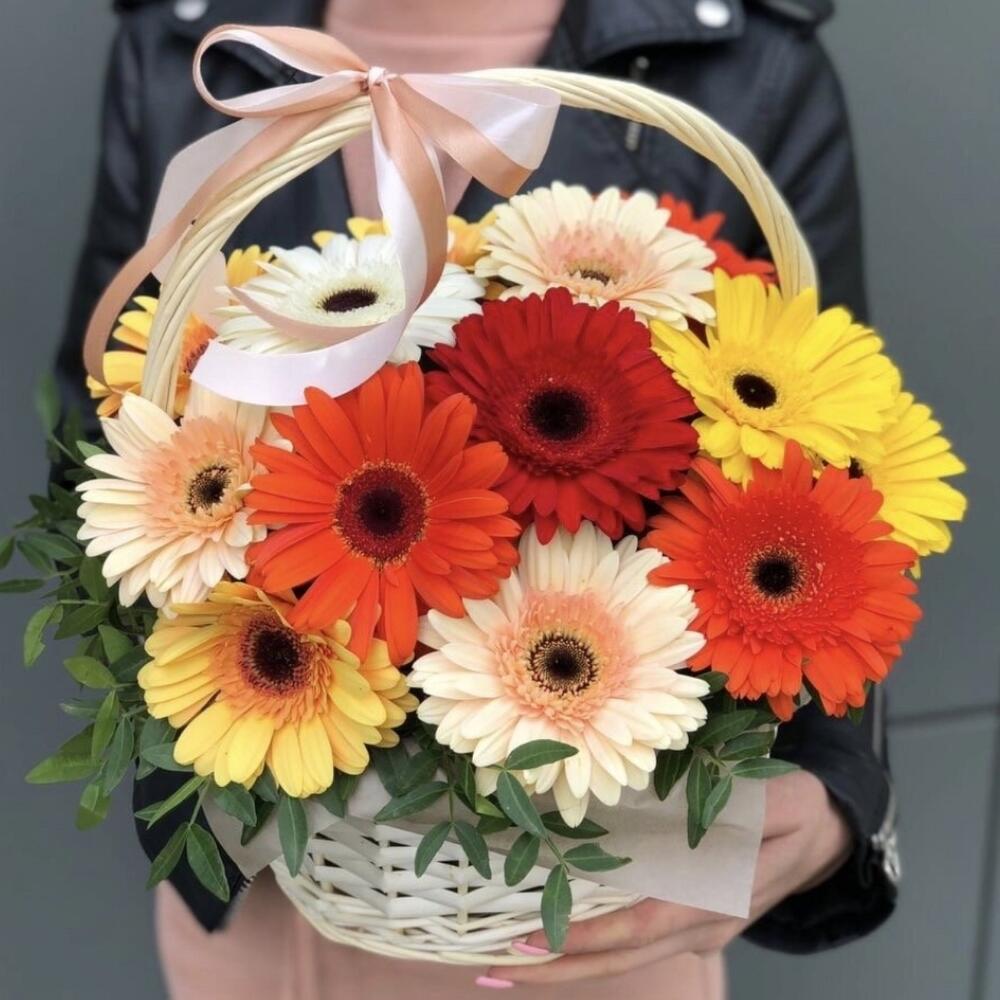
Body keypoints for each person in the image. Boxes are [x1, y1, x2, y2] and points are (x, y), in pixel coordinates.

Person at [60, 1, 900, 996]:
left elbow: (838, 474)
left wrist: (836, 788)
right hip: (262, 894)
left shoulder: (748, 62)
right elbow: (101, 423)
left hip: (593, 907)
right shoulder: (190, 45)